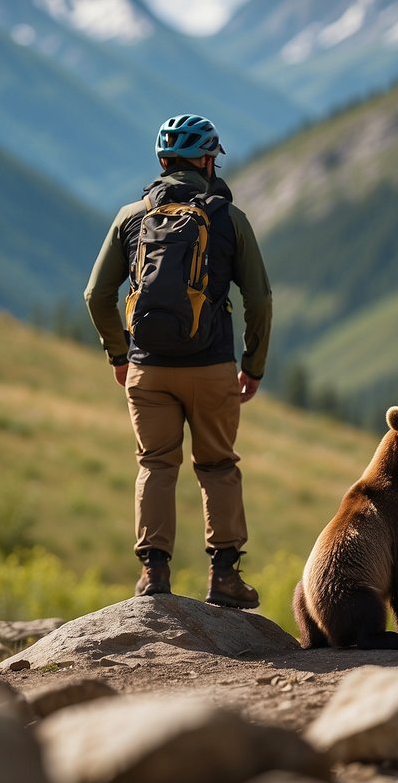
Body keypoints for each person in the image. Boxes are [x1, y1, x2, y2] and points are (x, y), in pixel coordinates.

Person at [84, 113, 273, 609]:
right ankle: (226, 578)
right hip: (212, 368)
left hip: (148, 368)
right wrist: (252, 366)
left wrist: (119, 353)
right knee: (217, 467)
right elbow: (260, 298)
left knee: (155, 464)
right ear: (207, 160)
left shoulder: (130, 217)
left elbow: (96, 294)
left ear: (163, 160)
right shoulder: (230, 218)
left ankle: (154, 573)